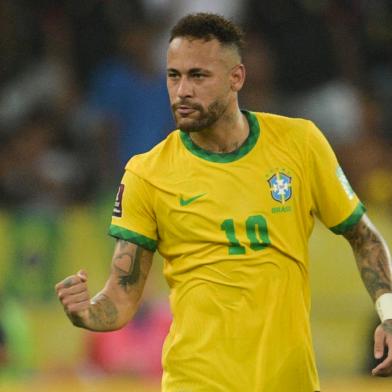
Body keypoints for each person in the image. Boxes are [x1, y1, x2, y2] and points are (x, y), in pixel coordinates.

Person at [55, 13, 392, 391]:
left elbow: (363, 236)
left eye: (198, 76)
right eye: (173, 75)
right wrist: (86, 312)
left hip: (288, 382)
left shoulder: (300, 144)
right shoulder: (146, 173)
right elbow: (121, 296)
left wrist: (389, 313)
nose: (182, 91)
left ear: (237, 78)